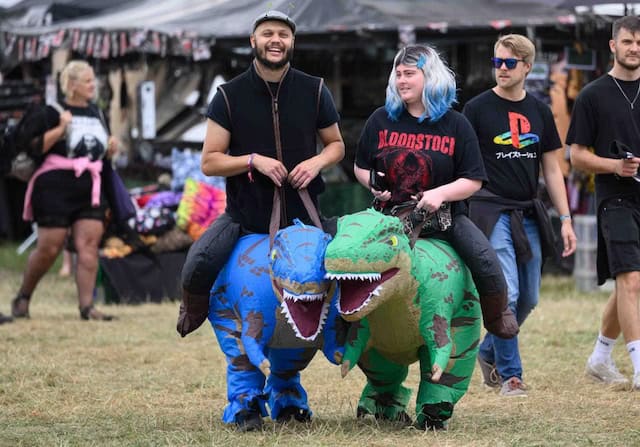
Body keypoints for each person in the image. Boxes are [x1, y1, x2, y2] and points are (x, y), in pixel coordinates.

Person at [177, 10, 345, 337]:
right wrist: (253, 161)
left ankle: (345, 337)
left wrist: (315, 163)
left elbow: (336, 145)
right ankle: (193, 313)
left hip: (305, 216)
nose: (275, 41)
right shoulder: (228, 95)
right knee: (199, 262)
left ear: (292, 42)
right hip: (246, 217)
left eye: (283, 35)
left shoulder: (314, 89)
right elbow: (210, 161)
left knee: (350, 262)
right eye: (268, 34)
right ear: (253, 41)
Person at [354, 45, 519, 344]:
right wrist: (372, 183)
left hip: (445, 220)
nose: (401, 80)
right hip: (388, 218)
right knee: (346, 253)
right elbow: (360, 166)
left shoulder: (456, 124)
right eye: (398, 74)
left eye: (409, 74)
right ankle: (345, 324)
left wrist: (440, 193)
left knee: (485, 260)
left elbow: (473, 180)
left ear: (429, 77)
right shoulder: (380, 119)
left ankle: (497, 315)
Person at [463, 34, 577, 397]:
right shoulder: (477, 109)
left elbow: (552, 170)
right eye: (497, 62)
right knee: (508, 293)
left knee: (529, 297)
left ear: (527, 67)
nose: (501, 69)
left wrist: (566, 220)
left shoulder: (540, 111)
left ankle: (488, 351)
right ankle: (511, 376)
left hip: (528, 210)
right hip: (489, 208)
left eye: (509, 63)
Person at [11, 60, 118, 321]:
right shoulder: (52, 111)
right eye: (87, 80)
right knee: (50, 247)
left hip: (89, 188)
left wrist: (110, 149)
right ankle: (23, 297)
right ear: (71, 84)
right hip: (54, 189)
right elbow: (34, 147)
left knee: (88, 245)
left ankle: (87, 307)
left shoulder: (97, 112)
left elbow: (99, 151)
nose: (93, 85)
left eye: (93, 80)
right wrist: (60, 128)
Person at [567, 16, 640, 391]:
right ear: (613, 45)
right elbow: (576, 155)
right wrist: (615, 166)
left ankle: (599, 356)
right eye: (628, 41)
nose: (635, 48)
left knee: (633, 283)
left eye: (639, 42)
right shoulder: (592, 95)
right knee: (630, 278)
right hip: (615, 198)